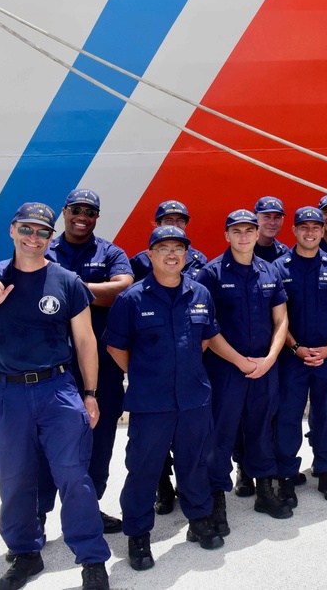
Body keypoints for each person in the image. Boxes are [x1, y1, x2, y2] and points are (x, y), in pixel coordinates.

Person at [0, 202, 111, 590]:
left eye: (42, 232)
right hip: (6, 394)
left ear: (50, 238)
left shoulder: (66, 282)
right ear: (12, 230)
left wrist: (89, 393)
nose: (33, 237)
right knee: (14, 478)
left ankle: (91, 558)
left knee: (74, 475)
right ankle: (26, 553)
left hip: (57, 390)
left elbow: (86, 341)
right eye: (26, 229)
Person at [106, 225, 240, 570]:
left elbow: (207, 337)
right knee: (143, 469)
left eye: (178, 249)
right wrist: (145, 374)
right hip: (151, 403)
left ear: (186, 256)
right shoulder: (131, 299)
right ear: (150, 255)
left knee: (195, 464)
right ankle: (138, 535)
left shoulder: (200, 294)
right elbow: (116, 347)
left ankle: (198, 522)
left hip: (195, 398)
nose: (171, 254)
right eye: (163, 248)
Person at [194, 210, 292, 529]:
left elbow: (281, 320)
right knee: (220, 433)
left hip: (265, 367)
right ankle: (217, 501)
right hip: (225, 369)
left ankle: (264, 490)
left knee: (261, 427)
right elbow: (207, 327)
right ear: (227, 235)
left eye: (249, 230)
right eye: (237, 231)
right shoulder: (210, 274)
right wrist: (239, 360)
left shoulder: (270, 271)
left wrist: (270, 358)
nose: (244, 236)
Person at [44, 189, 133, 535]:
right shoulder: (45, 250)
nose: (83, 216)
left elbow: (123, 288)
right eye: (77, 210)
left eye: (91, 211)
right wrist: (98, 291)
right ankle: (38, 514)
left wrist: (69, 287)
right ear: (65, 212)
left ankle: (89, 508)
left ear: (97, 217)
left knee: (100, 441)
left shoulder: (110, 252)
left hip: (103, 368)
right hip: (54, 366)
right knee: (47, 442)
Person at [128, 199, 209, 514]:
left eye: (179, 219)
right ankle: (163, 487)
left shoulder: (200, 261)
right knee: (152, 437)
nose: (173, 224)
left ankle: (194, 498)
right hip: (152, 362)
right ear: (155, 224)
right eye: (166, 220)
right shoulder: (138, 262)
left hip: (189, 363)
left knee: (190, 436)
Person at [274, 207, 327, 505]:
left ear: (323, 231)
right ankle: (285, 477)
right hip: (291, 357)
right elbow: (278, 317)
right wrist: (295, 347)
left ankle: (325, 472)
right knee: (288, 418)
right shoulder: (279, 268)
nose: (310, 233)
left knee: (325, 416)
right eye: (304, 227)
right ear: (293, 230)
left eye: (316, 228)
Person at [130, 200, 208, 281]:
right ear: (158, 224)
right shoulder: (140, 261)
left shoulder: (199, 260)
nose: (175, 225)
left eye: (180, 220)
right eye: (168, 220)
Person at [253, 195, 291, 263]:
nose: (272, 223)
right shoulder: (245, 251)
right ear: (256, 219)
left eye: (277, 218)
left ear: (282, 221)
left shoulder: (284, 252)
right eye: (267, 217)